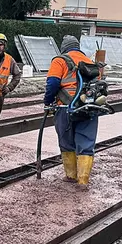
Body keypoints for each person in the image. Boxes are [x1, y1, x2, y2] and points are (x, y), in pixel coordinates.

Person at [43, 35, 98, 187]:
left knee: (66, 141)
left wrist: (47, 101)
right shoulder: (89, 61)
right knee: (86, 142)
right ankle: (83, 180)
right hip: (89, 108)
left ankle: (71, 175)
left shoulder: (60, 60)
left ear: (64, 48)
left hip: (65, 107)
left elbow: (52, 83)